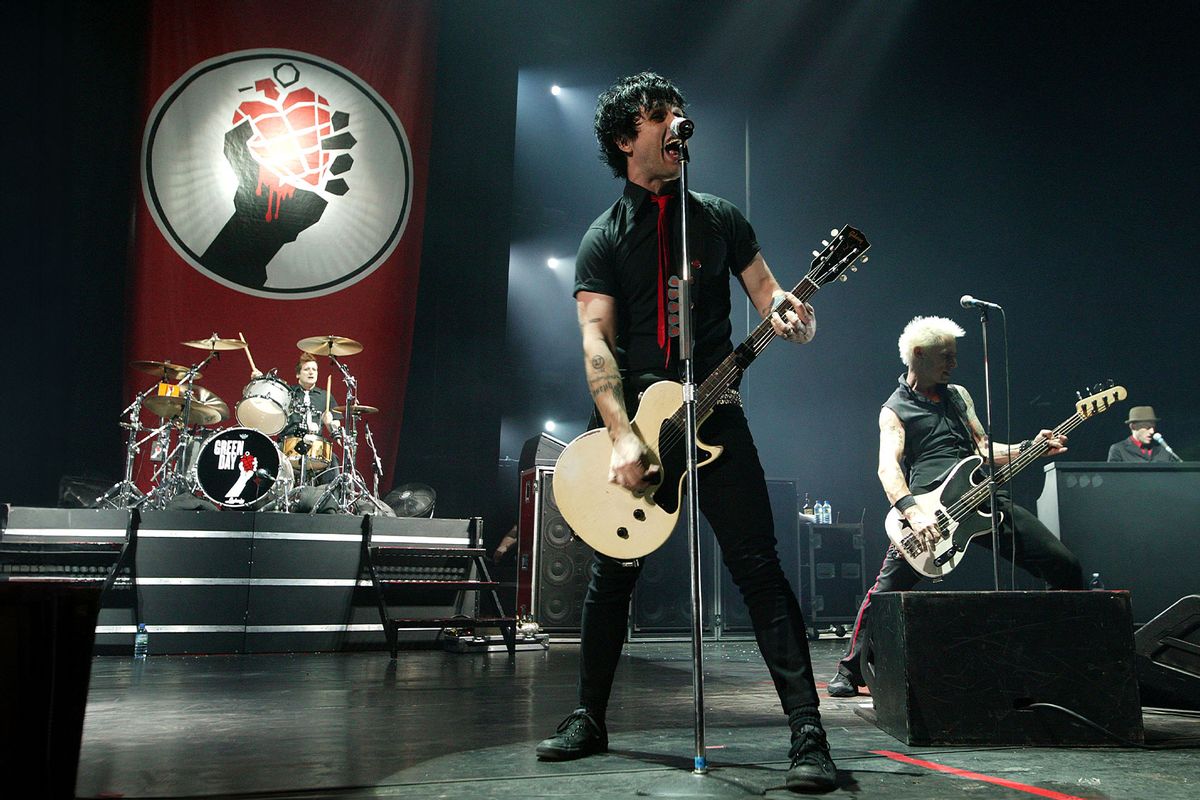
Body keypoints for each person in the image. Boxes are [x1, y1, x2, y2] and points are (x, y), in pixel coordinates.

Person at [534, 72, 836, 792]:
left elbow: (771, 294)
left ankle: (808, 733)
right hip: (634, 423)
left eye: (679, 111)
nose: (678, 123)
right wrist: (621, 436)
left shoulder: (721, 218)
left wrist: (796, 313)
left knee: (759, 568)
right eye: (660, 115)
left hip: (715, 415)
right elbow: (596, 343)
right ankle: (588, 716)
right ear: (623, 138)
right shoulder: (604, 235)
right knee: (613, 575)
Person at [826, 316, 1084, 698]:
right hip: (929, 514)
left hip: (981, 499)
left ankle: (1065, 652)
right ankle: (851, 669)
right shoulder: (894, 409)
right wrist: (913, 513)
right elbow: (887, 467)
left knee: (1064, 564)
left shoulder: (959, 395)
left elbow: (983, 447)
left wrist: (1029, 446)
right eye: (946, 356)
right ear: (918, 355)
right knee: (887, 590)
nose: (954, 363)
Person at [1107, 406, 1179, 462]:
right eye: (1147, 427)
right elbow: (1113, 478)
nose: (1152, 431)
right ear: (1133, 427)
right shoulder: (1119, 449)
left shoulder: (1164, 450)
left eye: (1153, 427)